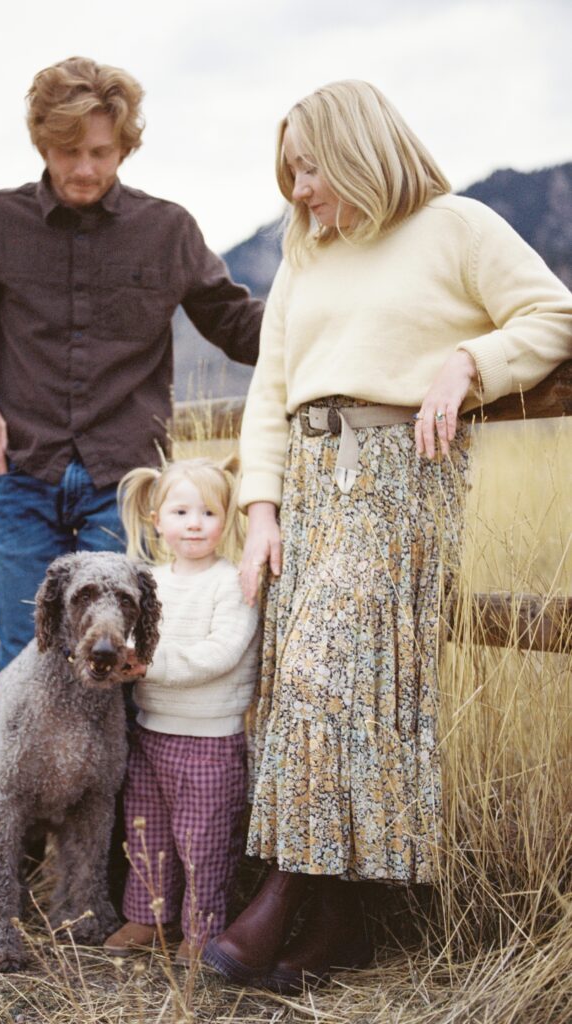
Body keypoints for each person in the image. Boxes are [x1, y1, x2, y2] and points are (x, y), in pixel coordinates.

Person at [202, 80, 572, 993]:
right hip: (310, 491)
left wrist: (468, 362)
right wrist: (259, 514)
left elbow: (553, 312)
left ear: (362, 148)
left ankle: (282, 896)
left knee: (331, 679)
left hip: (401, 479)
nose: (299, 189)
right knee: (323, 697)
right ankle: (341, 924)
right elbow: (269, 392)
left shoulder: (458, 226)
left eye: (312, 166)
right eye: (290, 171)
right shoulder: (304, 253)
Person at [0, 57, 263, 897]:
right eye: (70, 150)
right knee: (24, 660)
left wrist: (326, 327)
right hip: (22, 476)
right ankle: (15, 852)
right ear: (43, 140)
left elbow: (234, 320)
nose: (86, 169)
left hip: (125, 483)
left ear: (126, 148)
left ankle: (115, 867)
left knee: (121, 664)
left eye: (103, 153)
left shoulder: (169, 229)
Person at [102, 457, 260, 965]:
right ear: (156, 518)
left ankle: (203, 929)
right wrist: (119, 656)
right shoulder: (146, 582)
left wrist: (148, 664)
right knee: (145, 828)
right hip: (151, 732)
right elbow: (128, 638)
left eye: (209, 513)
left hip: (210, 740)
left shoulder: (233, 583)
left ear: (229, 518)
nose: (195, 523)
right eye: (182, 511)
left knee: (204, 840)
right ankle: (148, 917)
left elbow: (221, 654)